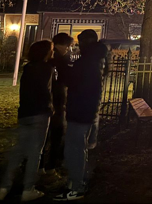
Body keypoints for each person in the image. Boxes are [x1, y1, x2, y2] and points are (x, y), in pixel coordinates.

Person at [0, 40, 54, 202]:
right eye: (50, 50)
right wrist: (51, 108)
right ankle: (28, 189)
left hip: (25, 113)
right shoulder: (47, 69)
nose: (52, 52)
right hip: (40, 114)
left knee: (18, 151)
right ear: (45, 53)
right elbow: (45, 91)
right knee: (35, 152)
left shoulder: (27, 68)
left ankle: (4, 187)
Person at [54, 29, 107, 201]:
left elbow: (71, 80)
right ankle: (76, 182)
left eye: (80, 42)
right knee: (78, 148)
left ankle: (76, 187)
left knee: (74, 149)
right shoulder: (95, 59)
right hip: (85, 109)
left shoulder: (88, 61)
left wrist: (61, 63)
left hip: (80, 110)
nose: (77, 46)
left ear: (86, 42)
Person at [42, 32, 74, 176]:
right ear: (62, 45)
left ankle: (41, 165)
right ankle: (50, 166)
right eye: (67, 46)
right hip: (57, 101)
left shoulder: (49, 59)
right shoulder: (58, 60)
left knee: (46, 136)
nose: (68, 49)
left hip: (50, 102)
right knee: (56, 135)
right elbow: (66, 79)